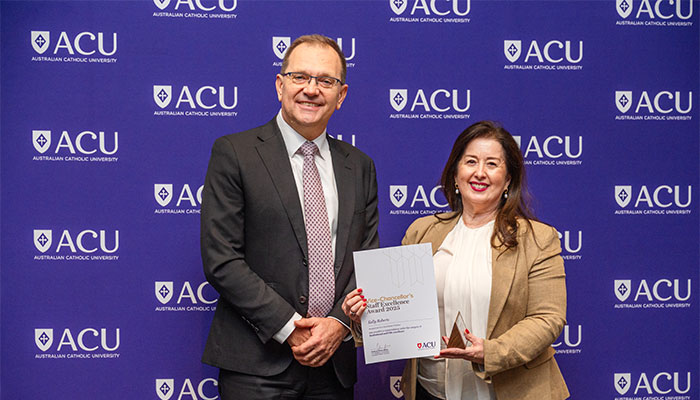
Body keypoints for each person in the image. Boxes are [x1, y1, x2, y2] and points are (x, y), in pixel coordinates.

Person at [201, 34, 379, 400]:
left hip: (333, 366)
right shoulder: (235, 153)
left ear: (341, 95)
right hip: (257, 364)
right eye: (300, 77)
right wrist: (290, 327)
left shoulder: (360, 166)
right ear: (280, 85)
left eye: (325, 80)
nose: (311, 89)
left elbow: (367, 258)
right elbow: (222, 259)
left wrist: (338, 324)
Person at [342, 121, 568, 400]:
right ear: (456, 174)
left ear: (508, 179)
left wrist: (490, 352)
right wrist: (365, 316)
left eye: (492, 164)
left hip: (510, 392)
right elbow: (400, 314)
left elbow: (547, 318)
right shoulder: (422, 231)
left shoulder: (538, 239)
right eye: (471, 161)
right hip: (430, 390)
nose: (480, 172)